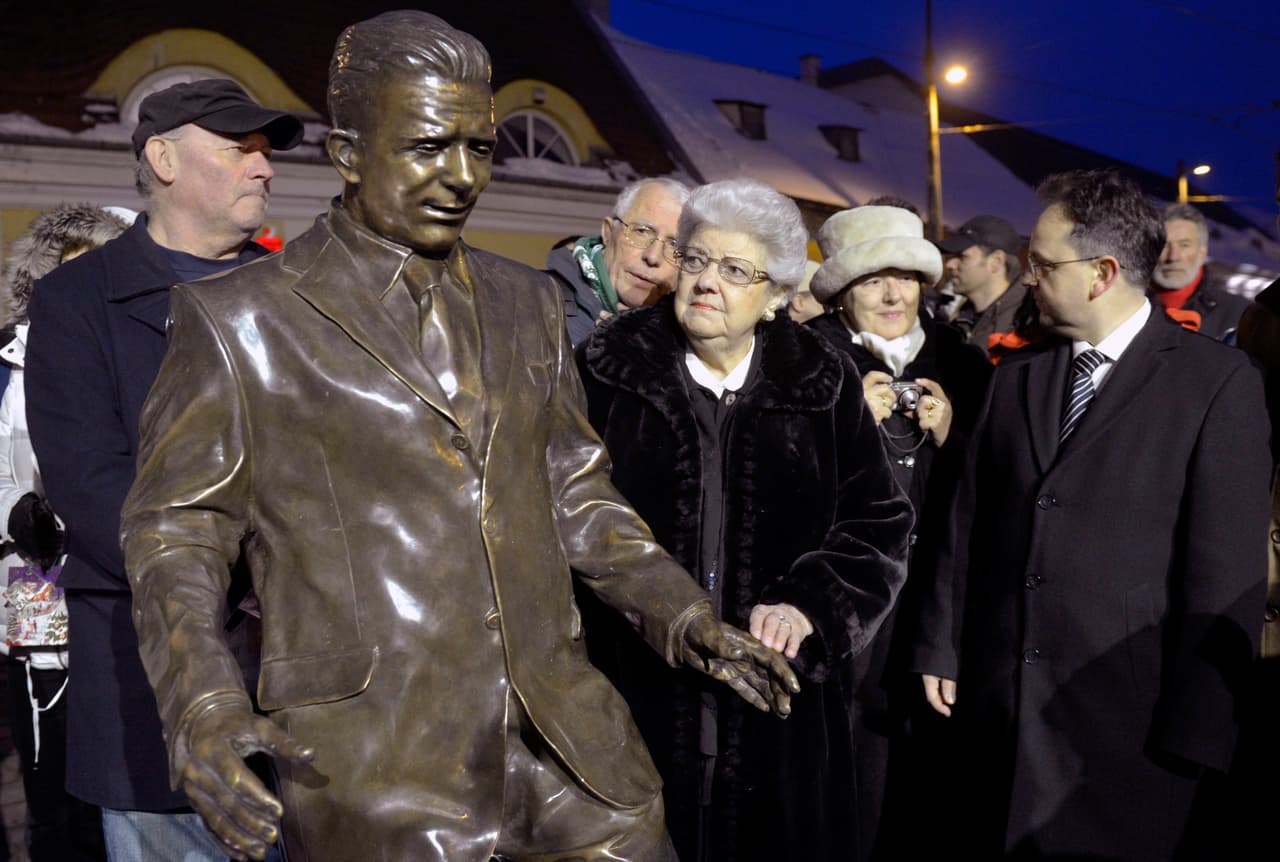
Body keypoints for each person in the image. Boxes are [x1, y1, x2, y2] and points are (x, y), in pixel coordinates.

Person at [118, 12, 797, 862]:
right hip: (373, 766)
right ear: (348, 152)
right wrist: (204, 707)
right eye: (429, 147)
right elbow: (175, 534)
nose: (462, 176)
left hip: (572, 754)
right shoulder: (239, 321)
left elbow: (577, 495)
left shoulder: (529, 305)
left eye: (479, 147)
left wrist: (686, 616)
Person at [912, 169, 1269, 858]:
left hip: (1124, 730)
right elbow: (968, 521)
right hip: (1000, 711)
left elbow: (1222, 577)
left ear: (1102, 272)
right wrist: (941, 644)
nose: (1029, 279)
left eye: (1043, 265)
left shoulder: (1215, 384)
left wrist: (1198, 734)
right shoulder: (1015, 377)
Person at [575, 177, 913, 861]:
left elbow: (880, 520)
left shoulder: (823, 378)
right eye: (694, 259)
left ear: (778, 295)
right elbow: (563, 511)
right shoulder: (610, 368)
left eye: (735, 270)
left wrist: (811, 606)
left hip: (778, 714)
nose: (705, 282)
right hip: (631, 695)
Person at [22, 80, 303, 860]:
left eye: (266, 151)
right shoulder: (77, 300)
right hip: (159, 678)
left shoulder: (299, 293)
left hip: (314, 683)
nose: (265, 168)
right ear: (164, 158)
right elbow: (91, 485)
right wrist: (254, 569)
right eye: (239, 149)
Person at [806, 204, 990, 859]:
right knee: (845, 779)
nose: (892, 295)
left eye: (905, 278)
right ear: (843, 292)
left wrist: (951, 434)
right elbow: (781, 480)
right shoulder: (809, 361)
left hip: (937, 611)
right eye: (872, 280)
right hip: (845, 614)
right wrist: (848, 422)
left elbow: (1002, 485)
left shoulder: (963, 363)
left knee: (930, 781)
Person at [0, 203, 130, 861]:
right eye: (65, 271)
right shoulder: (9, 363)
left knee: (129, 787)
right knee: (52, 789)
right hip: (37, 597)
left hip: (128, 597)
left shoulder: (144, 357)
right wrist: (16, 511)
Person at [546, 177, 689, 344]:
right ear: (608, 232)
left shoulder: (687, 342)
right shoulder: (534, 303)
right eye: (642, 232)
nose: (653, 257)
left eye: (674, 245)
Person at [1150, 202, 1249, 341]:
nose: (1173, 257)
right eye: (1164, 245)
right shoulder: (1126, 308)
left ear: (1202, 252)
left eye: (1184, 245)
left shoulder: (1239, 314)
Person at [935, 214, 1030, 354]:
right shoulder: (962, 318)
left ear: (996, 261)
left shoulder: (1025, 323)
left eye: (962, 256)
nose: (949, 264)